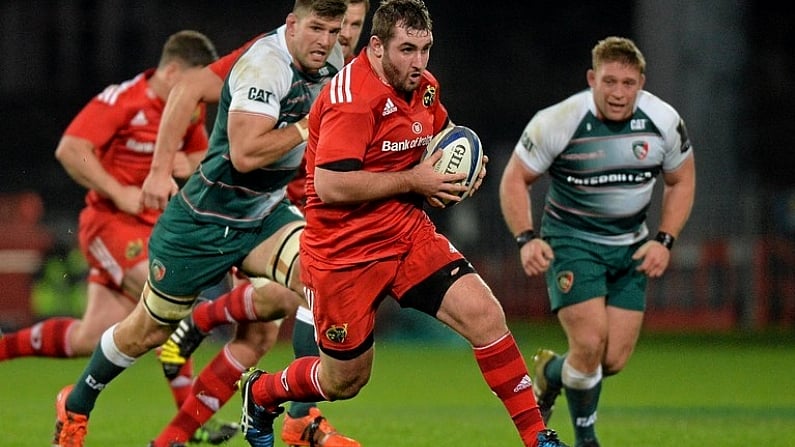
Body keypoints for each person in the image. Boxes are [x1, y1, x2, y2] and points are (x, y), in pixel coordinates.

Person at [237, 1, 567, 447]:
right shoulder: (351, 99)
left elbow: (440, 132)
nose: (418, 62)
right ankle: (261, 394)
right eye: (406, 49)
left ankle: (537, 438)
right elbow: (330, 185)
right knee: (344, 381)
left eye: (425, 49)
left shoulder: (424, 87)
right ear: (376, 47)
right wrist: (416, 178)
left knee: (486, 315)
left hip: (407, 236)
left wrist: (467, 165)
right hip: (344, 255)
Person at [52, 2, 349, 447]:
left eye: (335, 30)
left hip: (263, 214)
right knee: (146, 332)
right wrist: (309, 126)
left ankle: (298, 418)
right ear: (291, 24)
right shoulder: (263, 65)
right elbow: (245, 153)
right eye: (316, 29)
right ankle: (75, 405)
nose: (326, 41)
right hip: (202, 224)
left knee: (322, 281)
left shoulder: (335, 61)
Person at [140, 2, 369, 446]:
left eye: (352, 27)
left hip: (305, 213)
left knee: (261, 334)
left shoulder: (354, 73)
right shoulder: (271, 58)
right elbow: (189, 88)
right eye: (331, 27)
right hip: (263, 210)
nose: (340, 38)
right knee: (308, 294)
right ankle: (300, 419)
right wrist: (162, 168)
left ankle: (173, 433)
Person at [0, 30, 235, 444]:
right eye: (195, 82)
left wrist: (184, 161)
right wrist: (119, 190)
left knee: (90, 338)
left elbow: (203, 156)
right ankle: (188, 427)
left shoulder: (187, 110)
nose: (200, 94)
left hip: (153, 227)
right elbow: (71, 149)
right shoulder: (122, 100)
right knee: (166, 298)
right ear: (176, 71)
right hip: (109, 223)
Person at [498, 36, 696, 447]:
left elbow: (681, 179)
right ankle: (587, 439)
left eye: (627, 82)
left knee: (611, 360)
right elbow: (515, 178)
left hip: (630, 247)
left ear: (641, 81)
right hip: (572, 244)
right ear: (592, 78)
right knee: (588, 343)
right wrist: (527, 239)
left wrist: (664, 240)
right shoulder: (560, 120)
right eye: (609, 81)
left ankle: (551, 374)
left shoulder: (663, 120)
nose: (619, 92)